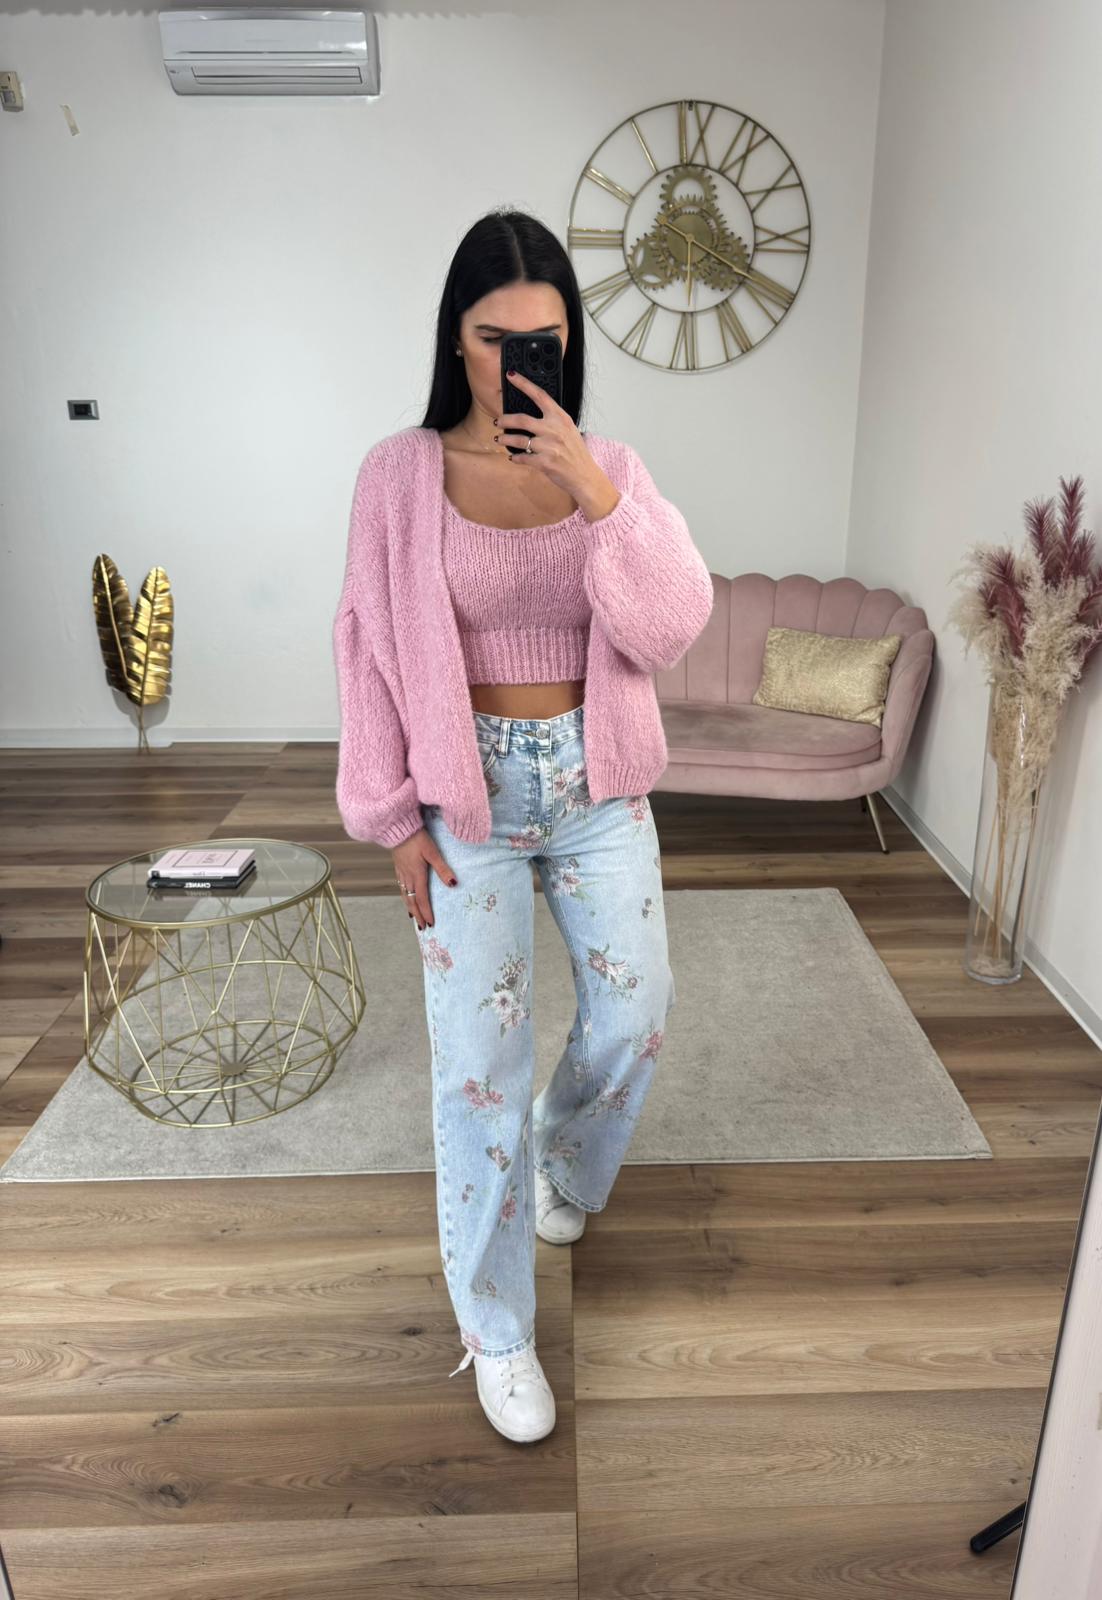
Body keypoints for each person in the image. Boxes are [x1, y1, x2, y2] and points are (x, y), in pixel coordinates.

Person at [332, 208, 714, 1444]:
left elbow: (671, 627)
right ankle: (495, 1331)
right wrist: (392, 813)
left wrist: (592, 491)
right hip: (466, 798)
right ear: (456, 339)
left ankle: (567, 1158)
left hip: (598, 784)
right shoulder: (398, 475)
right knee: (477, 1071)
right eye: (494, 338)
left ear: (569, 342)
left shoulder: (613, 469)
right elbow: (365, 646)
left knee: (636, 1008)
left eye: (541, 339)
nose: (515, 362)